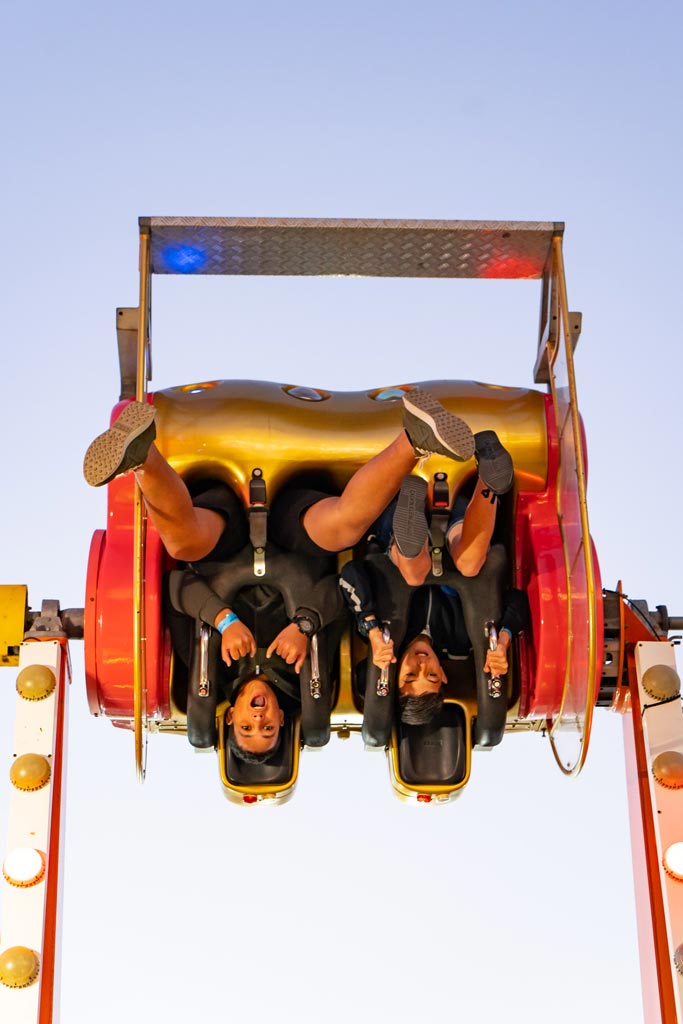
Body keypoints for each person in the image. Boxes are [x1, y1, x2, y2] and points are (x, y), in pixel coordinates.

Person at [84, 387, 501, 759]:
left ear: (230, 720)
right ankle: (415, 439)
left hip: (220, 539)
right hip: (298, 539)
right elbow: (340, 593)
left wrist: (224, 620)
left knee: (182, 542)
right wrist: (303, 626)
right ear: (284, 721)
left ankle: (142, 458)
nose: (259, 718)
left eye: (248, 727)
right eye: (267, 728)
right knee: (345, 526)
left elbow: (178, 586)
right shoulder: (306, 679)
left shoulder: (213, 669)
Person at [340, 439, 529, 727]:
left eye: (410, 675)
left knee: (414, 572)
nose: (421, 664)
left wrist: (372, 627)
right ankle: (489, 477)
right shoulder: (460, 640)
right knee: (469, 563)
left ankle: (412, 523)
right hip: (457, 526)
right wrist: (503, 638)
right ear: (443, 675)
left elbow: (349, 575)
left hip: (394, 524)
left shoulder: (382, 633)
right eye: (430, 675)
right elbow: (518, 601)